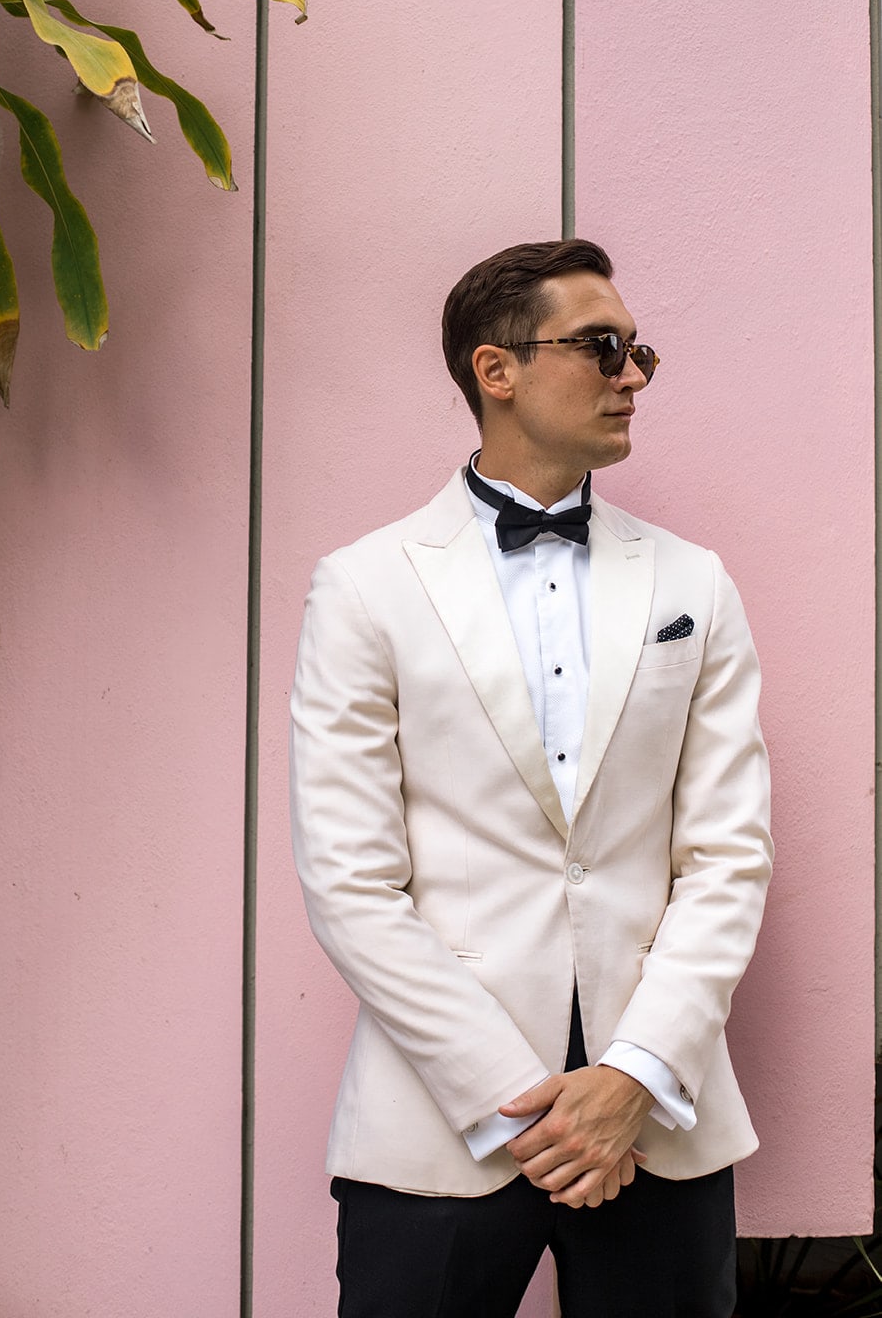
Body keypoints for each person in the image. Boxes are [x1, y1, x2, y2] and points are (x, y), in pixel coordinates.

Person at [289, 239, 773, 1318]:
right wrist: (530, 1111)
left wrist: (631, 1076)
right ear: (492, 371)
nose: (631, 374)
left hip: (655, 1113)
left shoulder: (692, 582)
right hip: (437, 1118)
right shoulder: (365, 588)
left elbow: (727, 856)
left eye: (636, 350)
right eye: (602, 347)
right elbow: (351, 883)